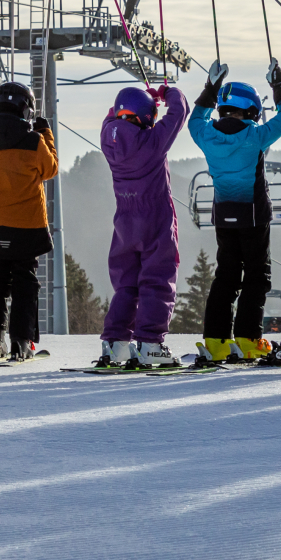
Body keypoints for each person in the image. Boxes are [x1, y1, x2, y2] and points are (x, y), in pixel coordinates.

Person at [188, 63, 281, 363]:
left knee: (226, 275)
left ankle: (216, 340)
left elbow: (195, 117)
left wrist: (210, 88)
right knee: (256, 277)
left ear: (222, 109)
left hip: (223, 215)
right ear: (252, 112)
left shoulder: (205, 135)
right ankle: (249, 339)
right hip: (254, 216)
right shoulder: (256, 136)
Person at [97, 84, 190, 369]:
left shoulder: (107, 135)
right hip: (155, 217)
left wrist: (146, 102)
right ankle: (150, 343)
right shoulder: (152, 143)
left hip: (125, 219)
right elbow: (180, 110)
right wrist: (165, 92)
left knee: (126, 283)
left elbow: (114, 113)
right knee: (158, 279)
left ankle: (115, 344)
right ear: (146, 117)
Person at [0, 81, 59, 361]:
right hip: (27, 226)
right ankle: (21, 342)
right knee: (25, 283)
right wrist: (45, 132)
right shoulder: (33, 141)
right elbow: (50, 169)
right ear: (27, 110)